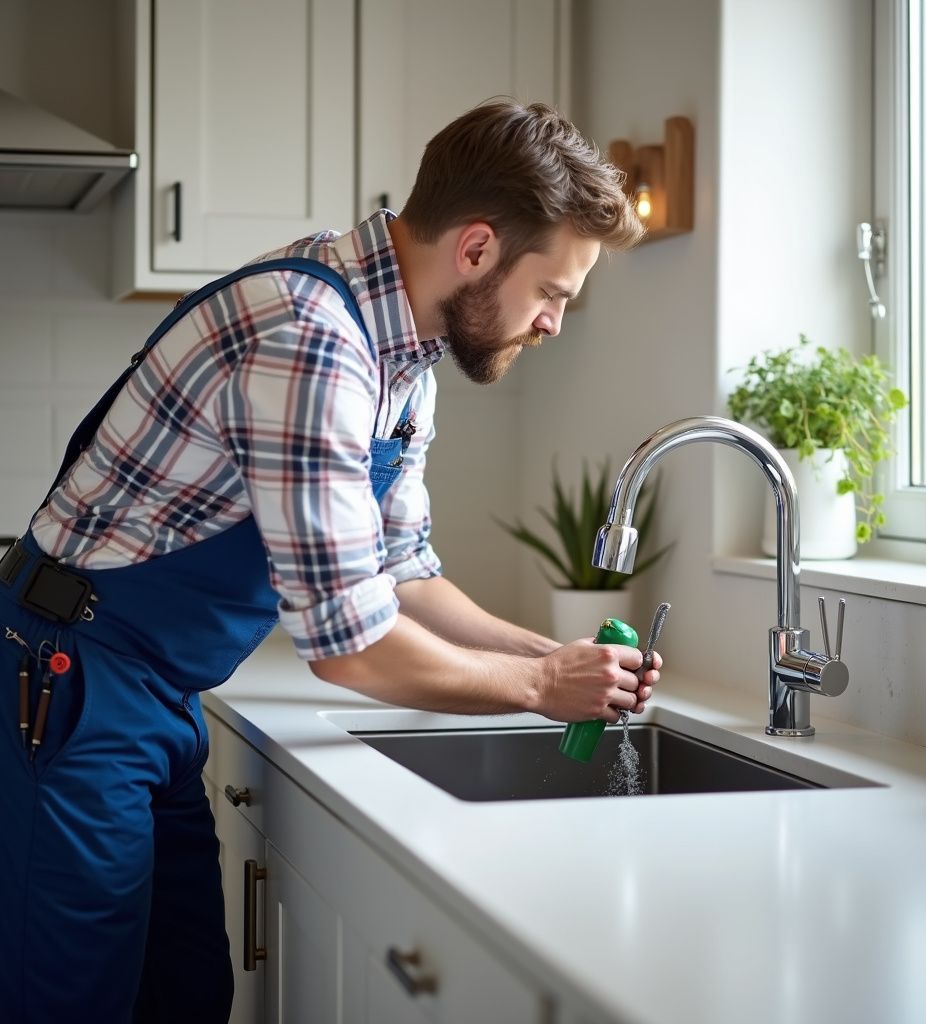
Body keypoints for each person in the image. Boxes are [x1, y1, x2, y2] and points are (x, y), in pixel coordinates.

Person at [0, 98, 658, 1023]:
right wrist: (542, 686)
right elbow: (350, 647)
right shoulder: (313, 335)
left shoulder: (405, 355)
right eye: (552, 293)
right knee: (69, 1004)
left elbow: (402, 571)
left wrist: (559, 659)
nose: (553, 323)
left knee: (182, 994)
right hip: (72, 689)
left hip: (155, 694)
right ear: (476, 251)